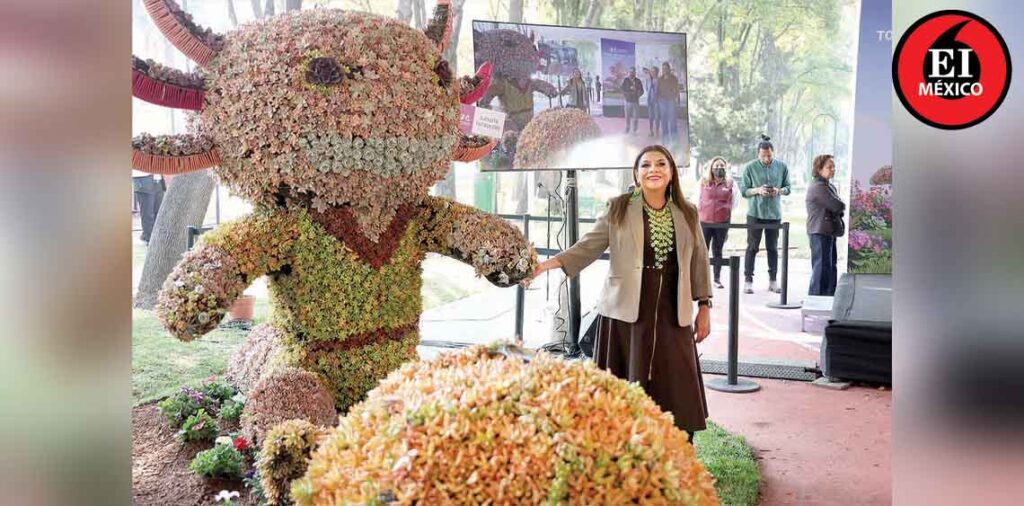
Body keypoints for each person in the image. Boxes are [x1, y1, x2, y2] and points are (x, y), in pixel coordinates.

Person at [530, 145, 713, 441]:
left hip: (672, 310)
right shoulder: (618, 207)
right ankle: (624, 442)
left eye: (661, 164)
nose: (653, 170)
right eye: (646, 165)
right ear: (636, 174)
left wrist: (704, 306)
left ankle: (678, 443)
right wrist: (546, 265)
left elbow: (699, 260)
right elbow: (588, 246)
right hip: (625, 311)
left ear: (671, 172)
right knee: (625, 382)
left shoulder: (687, 212)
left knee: (676, 379)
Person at [739, 135, 791, 294]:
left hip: (774, 215)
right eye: (763, 156)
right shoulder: (749, 167)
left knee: (773, 248)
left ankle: (773, 281)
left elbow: (788, 188)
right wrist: (758, 190)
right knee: (752, 247)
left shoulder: (782, 167)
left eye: (769, 155)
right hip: (755, 213)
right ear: (758, 154)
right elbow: (744, 191)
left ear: (773, 153)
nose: (766, 159)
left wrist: (778, 191)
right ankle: (748, 280)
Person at [806, 154, 846, 296]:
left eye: (833, 167)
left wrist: (839, 207)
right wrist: (840, 207)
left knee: (829, 266)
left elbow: (838, 206)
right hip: (819, 232)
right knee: (821, 269)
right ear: (819, 169)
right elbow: (837, 205)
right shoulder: (818, 187)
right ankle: (816, 299)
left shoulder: (828, 186)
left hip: (827, 231)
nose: (833, 169)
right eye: (829, 167)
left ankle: (828, 297)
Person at [699, 156, 738, 289]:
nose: (719, 168)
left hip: (722, 222)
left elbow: (735, 202)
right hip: (705, 222)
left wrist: (725, 212)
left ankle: (716, 279)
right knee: (703, 251)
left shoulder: (731, 184)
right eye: (716, 166)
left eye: (721, 166)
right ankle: (702, 280)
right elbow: (697, 199)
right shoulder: (703, 182)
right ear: (711, 169)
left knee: (718, 250)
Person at [133, 169, 165, 245]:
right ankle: (149, 239)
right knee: (148, 214)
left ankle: (152, 238)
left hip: (157, 179)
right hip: (143, 179)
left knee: (158, 213)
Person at [656, 62, 680, 146]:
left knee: (672, 120)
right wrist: (658, 99)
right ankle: (665, 140)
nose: (664, 70)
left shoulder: (674, 78)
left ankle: (674, 140)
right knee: (664, 121)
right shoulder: (660, 79)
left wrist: (675, 97)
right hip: (662, 102)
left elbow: (677, 90)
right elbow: (657, 90)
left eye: (666, 68)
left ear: (669, 69)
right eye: (663, 69)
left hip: (671, 101)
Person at [620, 67, 644, 134]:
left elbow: (642, 91)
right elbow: (622, 89)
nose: (631, 73)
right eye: (630, 72)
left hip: (635, 101)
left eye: (633, 72)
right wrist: (628, 94)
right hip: (627, 101)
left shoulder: (638, 81)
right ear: (628, 73)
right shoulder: (626, 80)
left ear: (635, 73)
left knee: (635, 117)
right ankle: (627, 129)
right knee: (627, 116)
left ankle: (635, 130)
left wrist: (637, 92)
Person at [645, 67, 660, 137]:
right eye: (651, 71)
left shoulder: (659, 80)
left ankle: (657, 131)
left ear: (657, 72)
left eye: (654, 71)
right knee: (650, 117)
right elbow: (647, 88)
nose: (652, 73)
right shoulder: (648, 80)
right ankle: (651, 131)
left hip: (657, 101)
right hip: (650, 101)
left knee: (657, 117)